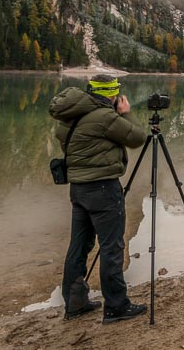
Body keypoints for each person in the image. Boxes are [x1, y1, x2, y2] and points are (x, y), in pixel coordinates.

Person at [49, 74, 148, 323]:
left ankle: (75, 303)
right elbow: (137, 137)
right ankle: (116, 306)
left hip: (78, 189)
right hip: (103, 189)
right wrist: (125, 113)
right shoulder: (105, 117)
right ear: (111, 94)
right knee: (111, 247)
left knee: (79, 246)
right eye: (115, 92)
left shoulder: (70, 115)